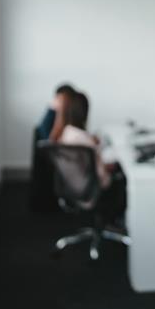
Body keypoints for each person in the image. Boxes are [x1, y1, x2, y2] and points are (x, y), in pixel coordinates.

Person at [59, 91, 126, 227]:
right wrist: (111, 166)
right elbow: (101, 174)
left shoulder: (67, 133)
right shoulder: (84, 139)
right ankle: (118, 222)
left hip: (74, 188)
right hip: (94, 191)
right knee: (123, 175)